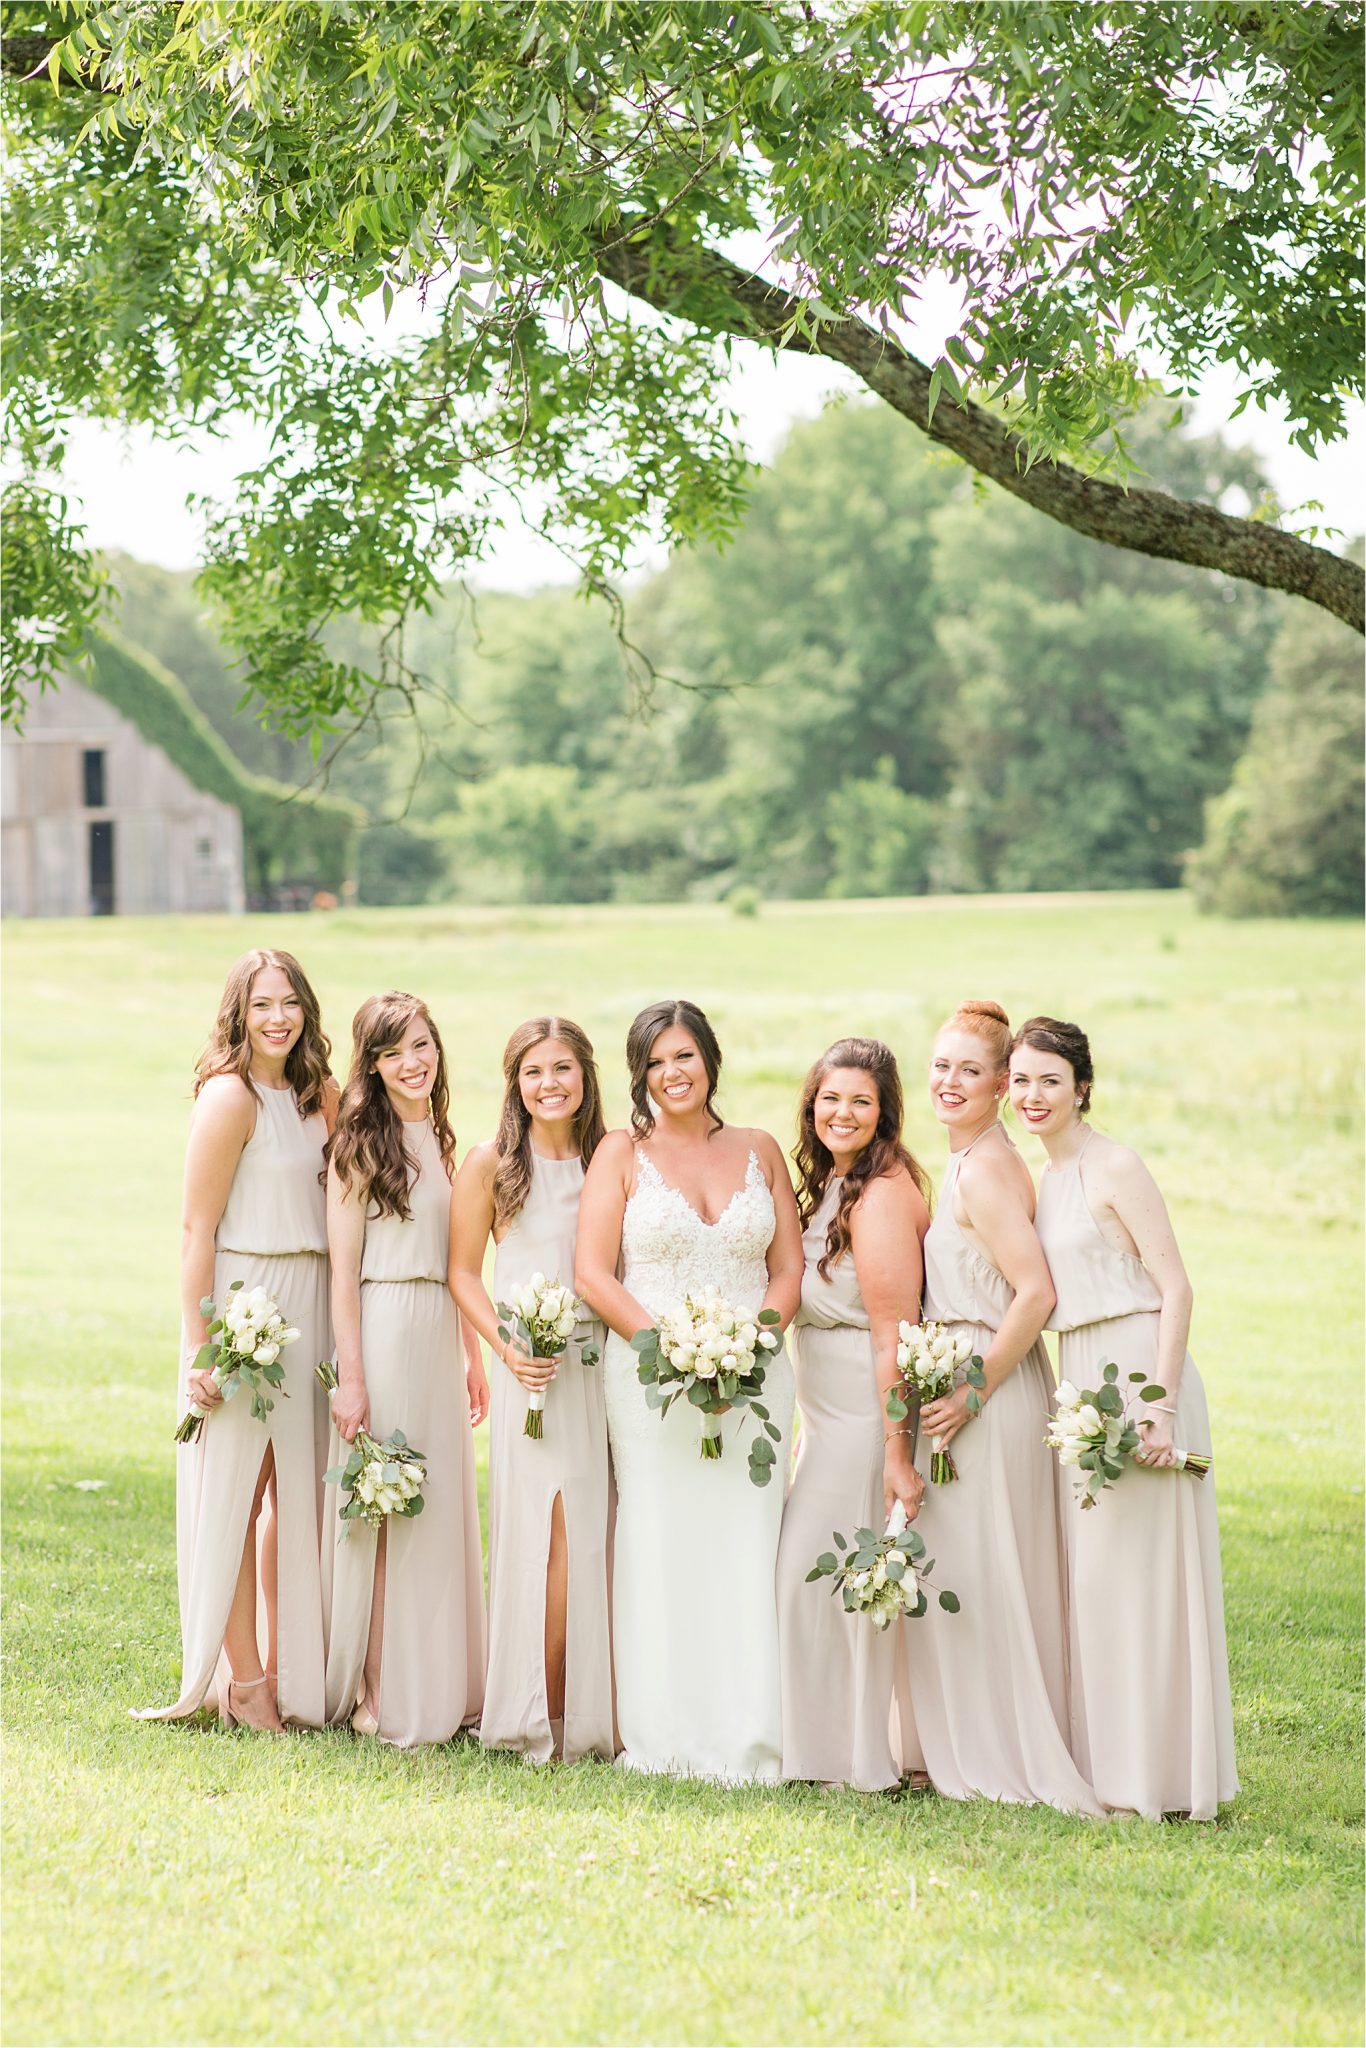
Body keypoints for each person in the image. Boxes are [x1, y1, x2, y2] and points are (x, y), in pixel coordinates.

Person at [1010, 1015, 1237, 1818]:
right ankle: (1113, 1769)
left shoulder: (1116, 1165)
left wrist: (1162, 1406)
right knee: (1098, 1582)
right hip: (1079, 1376)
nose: (1032, 1096)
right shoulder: (1043, 1179)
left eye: (1049, 1080)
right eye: (1022, 1080)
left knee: (1145, 1582)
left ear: (1082, 1087)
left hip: (1139, 1373)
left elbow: (1176, 1285)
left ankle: (1166, 1779)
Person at [576, 999, 803, 1780]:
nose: (673, 1074)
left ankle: (752, 1734)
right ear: (639, 1074)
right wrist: (669, 1359)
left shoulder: (760, 1150)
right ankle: (666, 1734)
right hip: (651, 1382)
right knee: (660, 1541)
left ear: (710, 1059)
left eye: (685, 1057)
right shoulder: (619, 1153)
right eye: (656, 1062)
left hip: (755, 1379)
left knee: (746, 1545)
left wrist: (749, 1349)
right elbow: (593, 1274)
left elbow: (787, 1270)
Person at [901, 999, 1101, 1813]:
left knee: (988, 1575)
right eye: (941, 1065)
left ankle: (1003, 1752)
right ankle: (968, 1738)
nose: (950, 1082)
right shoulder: (966, 1160)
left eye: (970, 1071)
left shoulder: (984, 1169)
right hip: (966, 1382)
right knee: (975, 1571)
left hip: (990, 1388)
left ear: (997, 1087)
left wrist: (972, 1388)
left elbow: (1036, 1293)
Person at [135, 949, 335, 1731]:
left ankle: (292, 1667)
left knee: (298, 1494)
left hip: (312, 1303)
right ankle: (242, 1682)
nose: (277, 1018)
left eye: (288, 1002)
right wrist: (202, 1343)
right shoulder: (230, 1097)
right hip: (248, 1304)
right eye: (261, 1006)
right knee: (239, 1495)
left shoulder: (321, 1096)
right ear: (238, 1016)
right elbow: (195, 1228)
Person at [323, 992, 487, 1746]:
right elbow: (344, 1273)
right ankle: (379, 1690)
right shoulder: (358, 1147)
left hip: (439, 1333)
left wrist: (472, 1355)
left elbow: (460, 1262)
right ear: (373, 1064)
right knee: (388, 1509)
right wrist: (351, 1378)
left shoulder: (444, 1138)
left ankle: (444, 1682)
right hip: (385, 1329)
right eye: (394, 1052)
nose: (414, 1062)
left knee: (439, 1506)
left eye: (422, 1045)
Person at [451, 1016, 614, 1765]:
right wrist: (505, 1349)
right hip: (531, 1371)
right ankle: (540, 1709)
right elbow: (462, 1273)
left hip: (601, 1367)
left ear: (586, 1076)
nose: (549, 1085)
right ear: (515, 1083)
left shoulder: (612, 1161)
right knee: (545, 1539)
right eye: (533, 1072)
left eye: (563, 1070)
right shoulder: (491, 1164)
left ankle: (589, 1706)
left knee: (597, 1536)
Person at [775, 1038, 931, 1791]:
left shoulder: (882, 1192)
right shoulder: (833, 1186)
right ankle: (824, 1746)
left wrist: (896, 1453)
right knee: (822, 1583)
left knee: (814, 1580)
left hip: (867, 1424)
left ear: (884, 1112)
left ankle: (845, 1754)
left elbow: (891, 1338)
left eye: (861, 1101)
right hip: (827, 1418)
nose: (844, 1112)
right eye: (831, 1098)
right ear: (812, 1104)